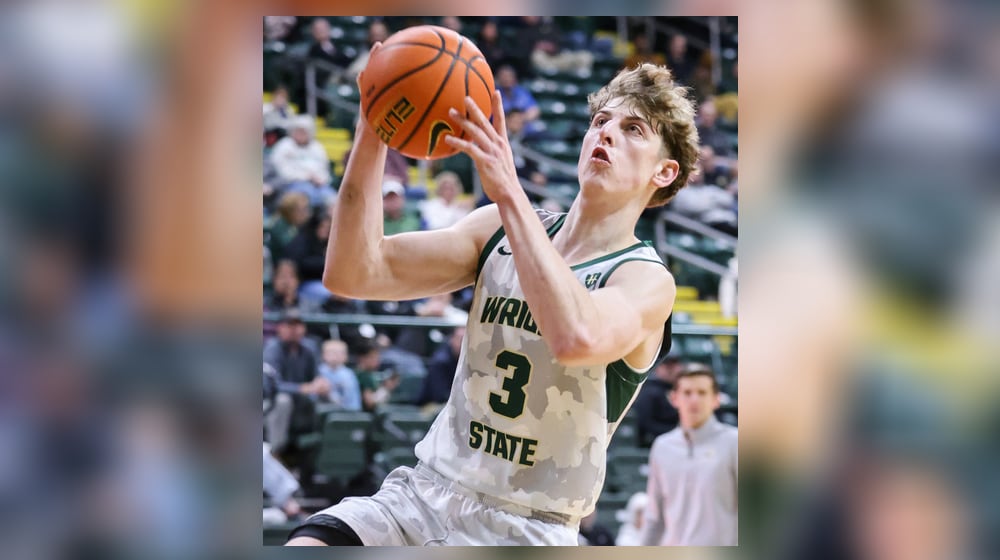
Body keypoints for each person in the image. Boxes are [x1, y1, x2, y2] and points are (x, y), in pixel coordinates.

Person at [287, 56, 699, 546]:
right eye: (599, 121)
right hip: (424, 495)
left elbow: (576, 337)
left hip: (527, 527)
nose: (606, 134)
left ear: (664, 171)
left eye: (633, 129)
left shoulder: (646, 279)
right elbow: (353, 271)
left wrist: (508, 190)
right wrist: (373, 127)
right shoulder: (494, 230)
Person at [640, 365, 738, 545]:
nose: (694, 399)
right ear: (674, 398)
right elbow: (655, 519)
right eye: (687, 392)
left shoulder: (734, 442)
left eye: (702, 392)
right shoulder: (662, 447)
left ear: (716, 399)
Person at [269, 115, 336, 208]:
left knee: (333, 199)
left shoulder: (317, 147)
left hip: (319, 185)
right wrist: (307, 177)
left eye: (303, 131)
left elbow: (324, 169)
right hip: (293, 184)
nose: (300, 134)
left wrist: (321, 179)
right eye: (298, 131)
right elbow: (281, 171)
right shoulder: (284, 145)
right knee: (309, 199)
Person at [631, 354, 682, 447]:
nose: (671, 369)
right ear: (657, 368)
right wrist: (677, 432)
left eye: (674, 364)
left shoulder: (685, 390)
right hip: (653, 444)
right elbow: (646, 424)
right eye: (666, 365)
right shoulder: (649, 392)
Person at [317, 339, 362, 411]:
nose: (334, 356)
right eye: (331, 352)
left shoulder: (349, 374)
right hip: (323, 411)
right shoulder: (318, 372)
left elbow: (353, 401)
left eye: (338, 353)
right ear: (323, 355)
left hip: (347, 411)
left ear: (346, 356)